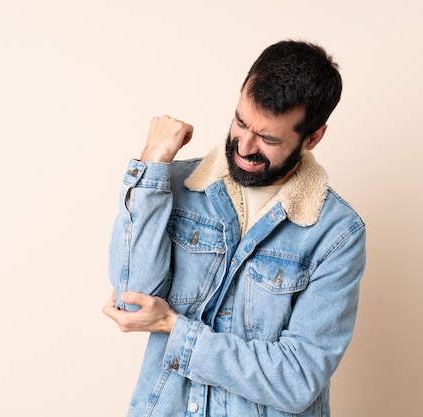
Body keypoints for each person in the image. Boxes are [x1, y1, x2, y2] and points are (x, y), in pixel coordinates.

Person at [103, 40, 366, 417]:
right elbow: (131, 300)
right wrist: (151, 164)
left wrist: (174, 328)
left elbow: (296, 380)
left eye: (269, 139)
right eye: (241, 122)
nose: (244, 146)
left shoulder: (337, 233)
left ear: (312, 138)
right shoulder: (174, 185)